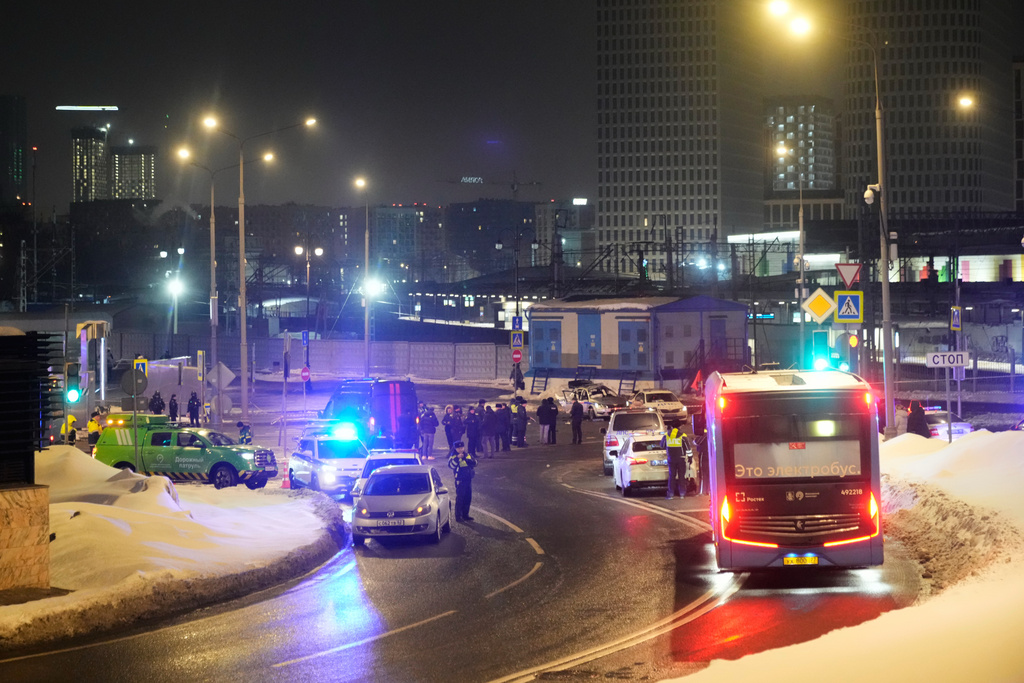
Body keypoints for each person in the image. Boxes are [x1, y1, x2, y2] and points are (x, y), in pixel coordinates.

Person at [447, 441, 477, 522]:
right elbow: (451, 465)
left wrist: (468, 460)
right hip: (460, 480)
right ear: (455, 448)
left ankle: (465, 515)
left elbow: (475, 463)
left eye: (462, 448)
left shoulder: (468, 455)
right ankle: (458, 516)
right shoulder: (453, 457)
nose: (460, 449)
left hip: (468, 479)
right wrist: (457, 458)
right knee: (460, 498)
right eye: (458, 448)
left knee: (468, 498)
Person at [661, 425, 690, 498]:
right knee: (681, 476)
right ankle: (682, 494)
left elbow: (662, 445)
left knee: (672, 476)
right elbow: (688, 448)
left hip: (671, 458)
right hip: (681, 458)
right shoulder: (683, 436)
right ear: (678, 428)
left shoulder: (666, 435)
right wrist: (690, 457)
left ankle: (670, 494)